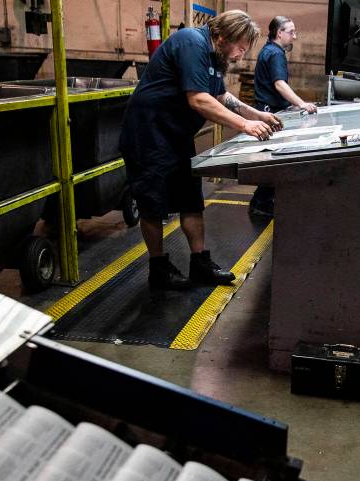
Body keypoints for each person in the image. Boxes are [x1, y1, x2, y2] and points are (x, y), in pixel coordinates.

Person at [119, 10, 283, 292]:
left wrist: (256, 114)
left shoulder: (214, 56)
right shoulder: (191, 43)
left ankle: (200, 263)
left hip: (175, 135)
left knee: (190, 200)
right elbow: (199, 99)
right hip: (148, 134)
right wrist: (245, 125)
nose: (240, 56)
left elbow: (221, 96)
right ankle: (158, 269)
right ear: (221, 37)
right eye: (240, 48)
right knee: (152, 206)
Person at [247, 15, 317, 217]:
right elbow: (279, 84)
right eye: (291, 32)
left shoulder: (268, 50)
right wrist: (302, 104)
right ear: (279, 33)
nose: (294, 36)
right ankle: (261, 202)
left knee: (272, 158)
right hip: (271, 113)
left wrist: (292, 105)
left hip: (269, 108)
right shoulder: (276, 53)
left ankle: (263, 201)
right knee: (275, 159)